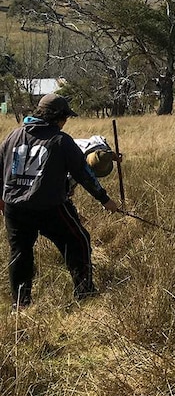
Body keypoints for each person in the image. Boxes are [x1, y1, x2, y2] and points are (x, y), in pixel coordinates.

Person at [0, 94, 120, 311]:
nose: (65, 122)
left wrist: (3, 203)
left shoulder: (12, 137)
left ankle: (21, 305)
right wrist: (105, 200)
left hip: (14, 208)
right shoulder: (61, 140)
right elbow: (84, 173)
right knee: (79, 241)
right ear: (58, 118)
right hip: (48, 207)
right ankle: (85, 292)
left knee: (20, 253)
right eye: (65, 118)